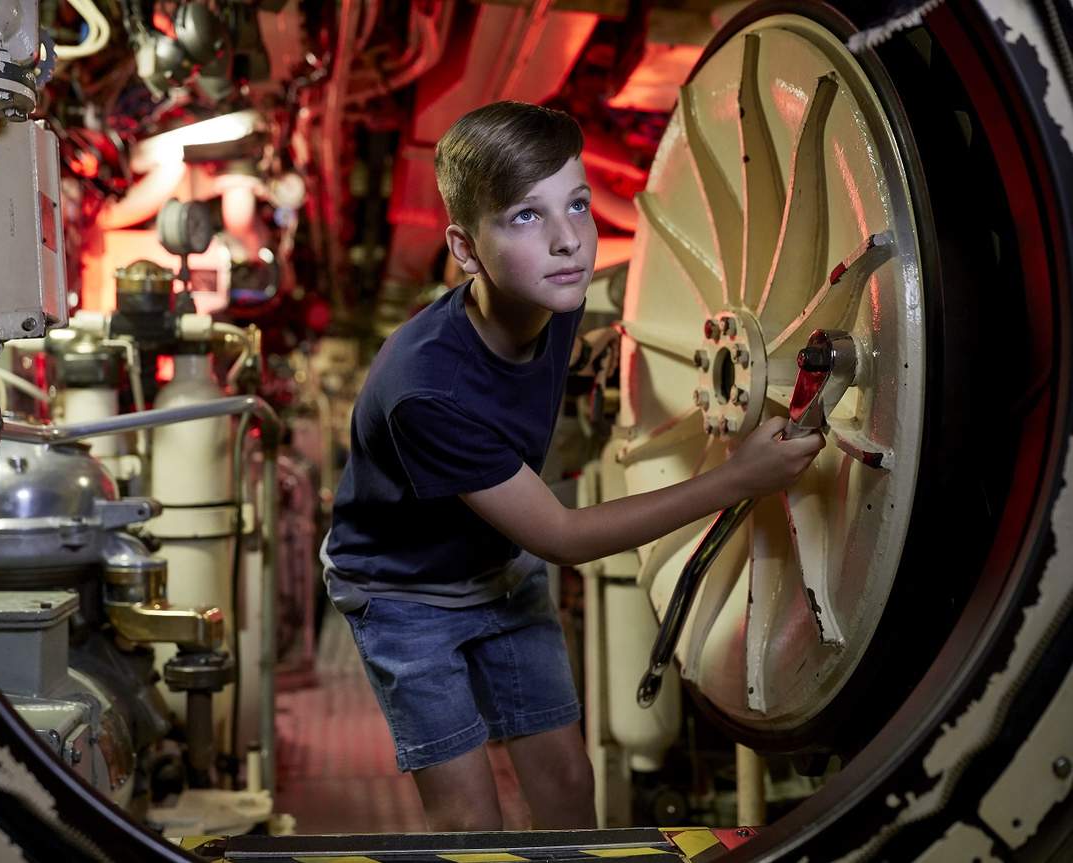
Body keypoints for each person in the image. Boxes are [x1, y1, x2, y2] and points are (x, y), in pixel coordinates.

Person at [319, 101, 824, 832]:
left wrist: (593, 351)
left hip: (498, 567)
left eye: (578, 204)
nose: (568, 242)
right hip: (405, 596)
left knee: (564, 778)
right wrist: (735, 479)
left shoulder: (555, 297)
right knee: (469, 816)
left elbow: (625, 312)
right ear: (463, 249)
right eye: (525, 216)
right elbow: (561, 535)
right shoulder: (425, 389)